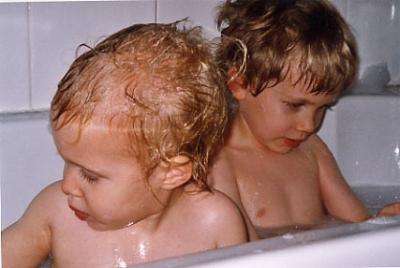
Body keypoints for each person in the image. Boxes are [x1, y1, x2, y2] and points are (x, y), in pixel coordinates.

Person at [1, 22, 248, 267]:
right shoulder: (55, 213)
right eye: (67, 162)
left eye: (90, 175)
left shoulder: (216, 224)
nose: (67, 185)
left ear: (171, 172)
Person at [209, 0, 400, 239]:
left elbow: (357, 225)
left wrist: (381, 223)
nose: (309, 126)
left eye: (323, 108)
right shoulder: (220, 164)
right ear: (240, 83)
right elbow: (239, 253)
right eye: (295, 105)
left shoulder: (312, 151)